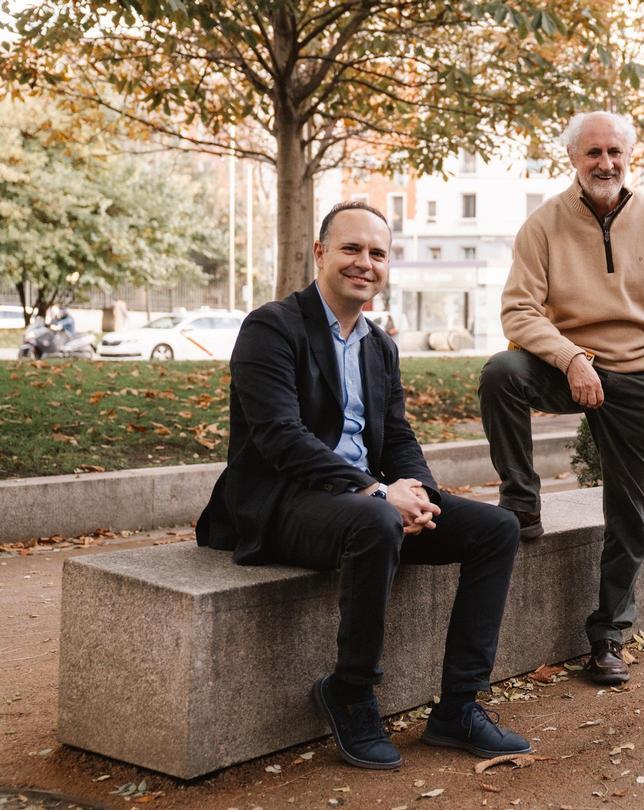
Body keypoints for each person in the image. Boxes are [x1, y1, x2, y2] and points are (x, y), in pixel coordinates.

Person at [196, 201, 529, 770]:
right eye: (351, 248)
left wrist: (417, 492)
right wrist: (377, 493)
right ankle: (350, 690)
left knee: (496, 528)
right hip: (282, 503)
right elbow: (280, 438)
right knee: (376, 520)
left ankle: (457, 708)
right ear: (321, 253)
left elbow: (397, 437)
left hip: (362, 500)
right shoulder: (271, 327)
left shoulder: (379, 344)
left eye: (377, 253)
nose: (364, 263)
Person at [478, 111, 644, 686]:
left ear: (629, 157)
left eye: (614, 153)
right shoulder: (544, 224)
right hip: (570, 367)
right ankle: (522, 501)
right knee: (502, 372)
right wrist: (572, 358)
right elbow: (519, 310)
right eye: (592, 153)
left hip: (639, 377)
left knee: (628, 510)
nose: (605, 163)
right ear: (574, 160)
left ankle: (608, 637)